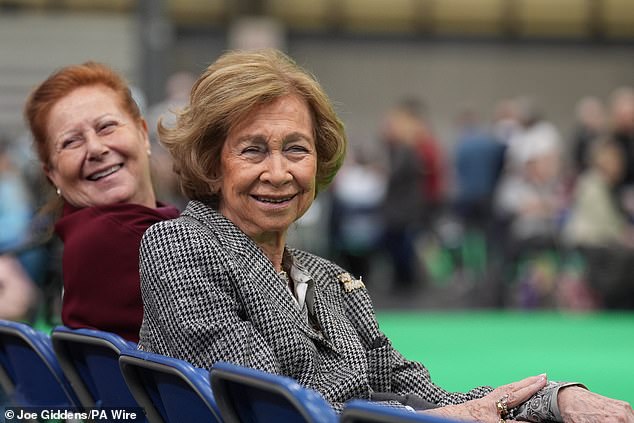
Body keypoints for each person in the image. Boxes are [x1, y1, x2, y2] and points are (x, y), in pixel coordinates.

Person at [138, 49, 634, 422]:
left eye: (296, 148)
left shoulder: (329, 279)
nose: (279, 171)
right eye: (252, 150)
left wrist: (557, 400)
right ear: (209, 163)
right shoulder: (180, 245)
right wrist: (429, 420)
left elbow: (424, 393)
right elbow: (268, 406)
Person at [23, 62, 180, 342]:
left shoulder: (85, 230)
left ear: (143, 133)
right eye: (71, 142)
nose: (95, 149)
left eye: (107, 127)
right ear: (53, 174)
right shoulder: (118, 238)